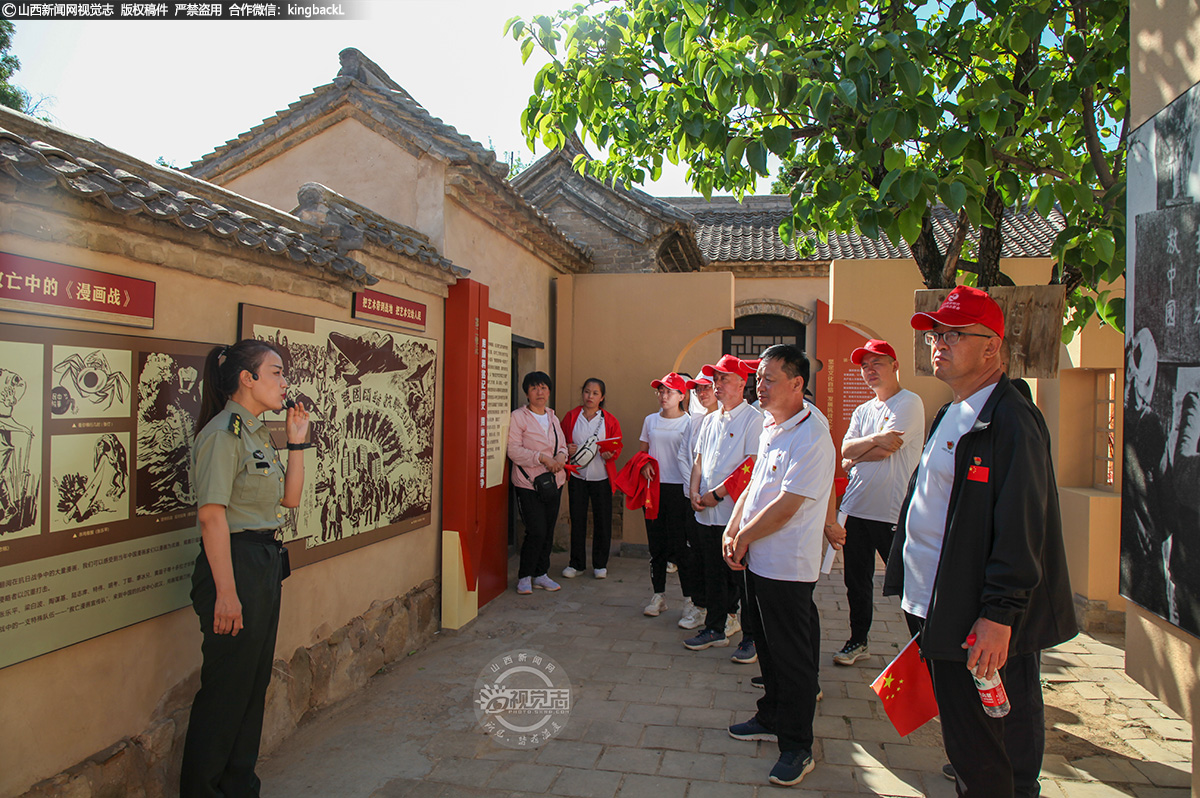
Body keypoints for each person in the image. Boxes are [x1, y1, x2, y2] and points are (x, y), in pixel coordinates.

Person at [883, 285, 1077, 798]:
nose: (937, 344)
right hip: (937, 608)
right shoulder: (952, 411)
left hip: (980, 621)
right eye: (933, 335)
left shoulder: (1012, 420)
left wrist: (999, 614)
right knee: (969, 741)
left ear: (991, 348)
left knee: (994, 748)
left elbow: (1022, 528)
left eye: (953, 335)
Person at [180, 339, 310, 798]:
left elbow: (289, 500)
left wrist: (296, 440)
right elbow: (212, 516)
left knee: (252, 688)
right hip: (232, 566)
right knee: (225, 694)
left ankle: (238, 787)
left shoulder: (256, 432)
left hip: (264, 562)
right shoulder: (221, 434)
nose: (283, 382)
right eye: (275, 372)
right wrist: (227, 593)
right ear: (246, 379)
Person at [724, 344, 834, 787]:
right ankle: (770, 715)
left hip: (788, 566)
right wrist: (733, 529)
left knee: (792, 658)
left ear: (797, 383)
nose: (760, 386)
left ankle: (798, 745)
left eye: (769, 378)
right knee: (766, 648)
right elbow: (754, 486)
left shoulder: (813, 435)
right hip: (758, 560)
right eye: (759, 378)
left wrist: (744, 536)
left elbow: (787, 505)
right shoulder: (771, 426)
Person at [831, 339, 924, 666]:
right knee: (855, 582)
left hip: (892, 511)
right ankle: (858, 641)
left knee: (905, 585)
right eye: (865, 366)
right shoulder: (863, 410)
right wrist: (869, 444)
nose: (870, 371)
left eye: (877, 363)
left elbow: (889, 449)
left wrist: (858, 454)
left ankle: (925, 648)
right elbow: (845, 450)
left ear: (895, 365)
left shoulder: (909, 403)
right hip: (856, 509)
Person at [686, 354, 762, 651]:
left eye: (723, 378)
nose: (716, 384)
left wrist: (716, 494)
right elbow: (699, 461)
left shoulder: (753, 420)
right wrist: (694, 492)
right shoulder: (709, 420)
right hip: (705, 513)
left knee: (740, 579)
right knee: (712, 574)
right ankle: (714, 627)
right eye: (715, 379)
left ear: (742, 383)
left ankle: (751, 637)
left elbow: (750, 466)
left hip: (733, 515)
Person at [639, 372, 701, 616]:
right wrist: (644, 464)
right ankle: (658, 596)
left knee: (681, 548)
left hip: (681, 490)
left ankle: (690, 601)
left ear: (681, 395)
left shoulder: (690, 422)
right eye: (661, 391)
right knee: (657, 546)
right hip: (654, 489)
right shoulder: (650, 421)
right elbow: (642, 451)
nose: (664, 396)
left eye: (670, 392)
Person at [507, 371, 568, 595]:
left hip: (554, 481)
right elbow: (513, 450)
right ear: (526, 393)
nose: (539, 392)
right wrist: (542, 458)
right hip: (528, 483)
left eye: (543, 387)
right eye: (534, 388)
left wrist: (560, 459)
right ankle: (525, 575)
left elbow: (562, 445)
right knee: (536, 530)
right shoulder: (518, 417)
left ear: (549, 391)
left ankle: (541, 573)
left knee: (549, 529)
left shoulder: (553, 418)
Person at [560, 378, 623, 579]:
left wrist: (610, 454)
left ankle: (600, 564)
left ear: (602, 397)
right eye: (587, 392)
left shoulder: (609, 420)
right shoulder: (571, 417)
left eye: (595, 393)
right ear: (582, 394)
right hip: (577, 475)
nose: (590, 396)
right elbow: (560, 441)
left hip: (601, 476)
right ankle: (576, 563)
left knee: (602, 520)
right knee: (577, 519)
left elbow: (617, 445)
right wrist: (567, 449)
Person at [675, 375, 718, 630]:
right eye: (698, 389)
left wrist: (704, 490)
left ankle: (727, 612)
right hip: (692, 498)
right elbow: (684, 456)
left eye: (707, 388)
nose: (702, 393)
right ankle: (698, 605)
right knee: (693, 555)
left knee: (717, 558)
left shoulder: (731, 420)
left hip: (717, 499)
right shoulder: (696, 422)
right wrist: (693, 489)